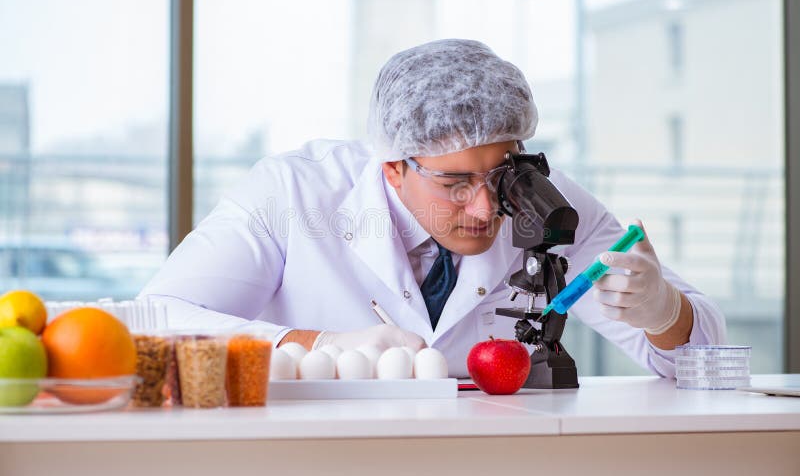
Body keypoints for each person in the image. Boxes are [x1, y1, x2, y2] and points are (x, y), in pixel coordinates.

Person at [139, 39, 725, 378]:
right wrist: (314, 343)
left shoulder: (549, 203)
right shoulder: (292, 194)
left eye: (501, 175)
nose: (483, 206)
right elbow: (157, 319)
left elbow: (704, 367)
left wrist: (662, 313)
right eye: (454, 181)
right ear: (392, 166)